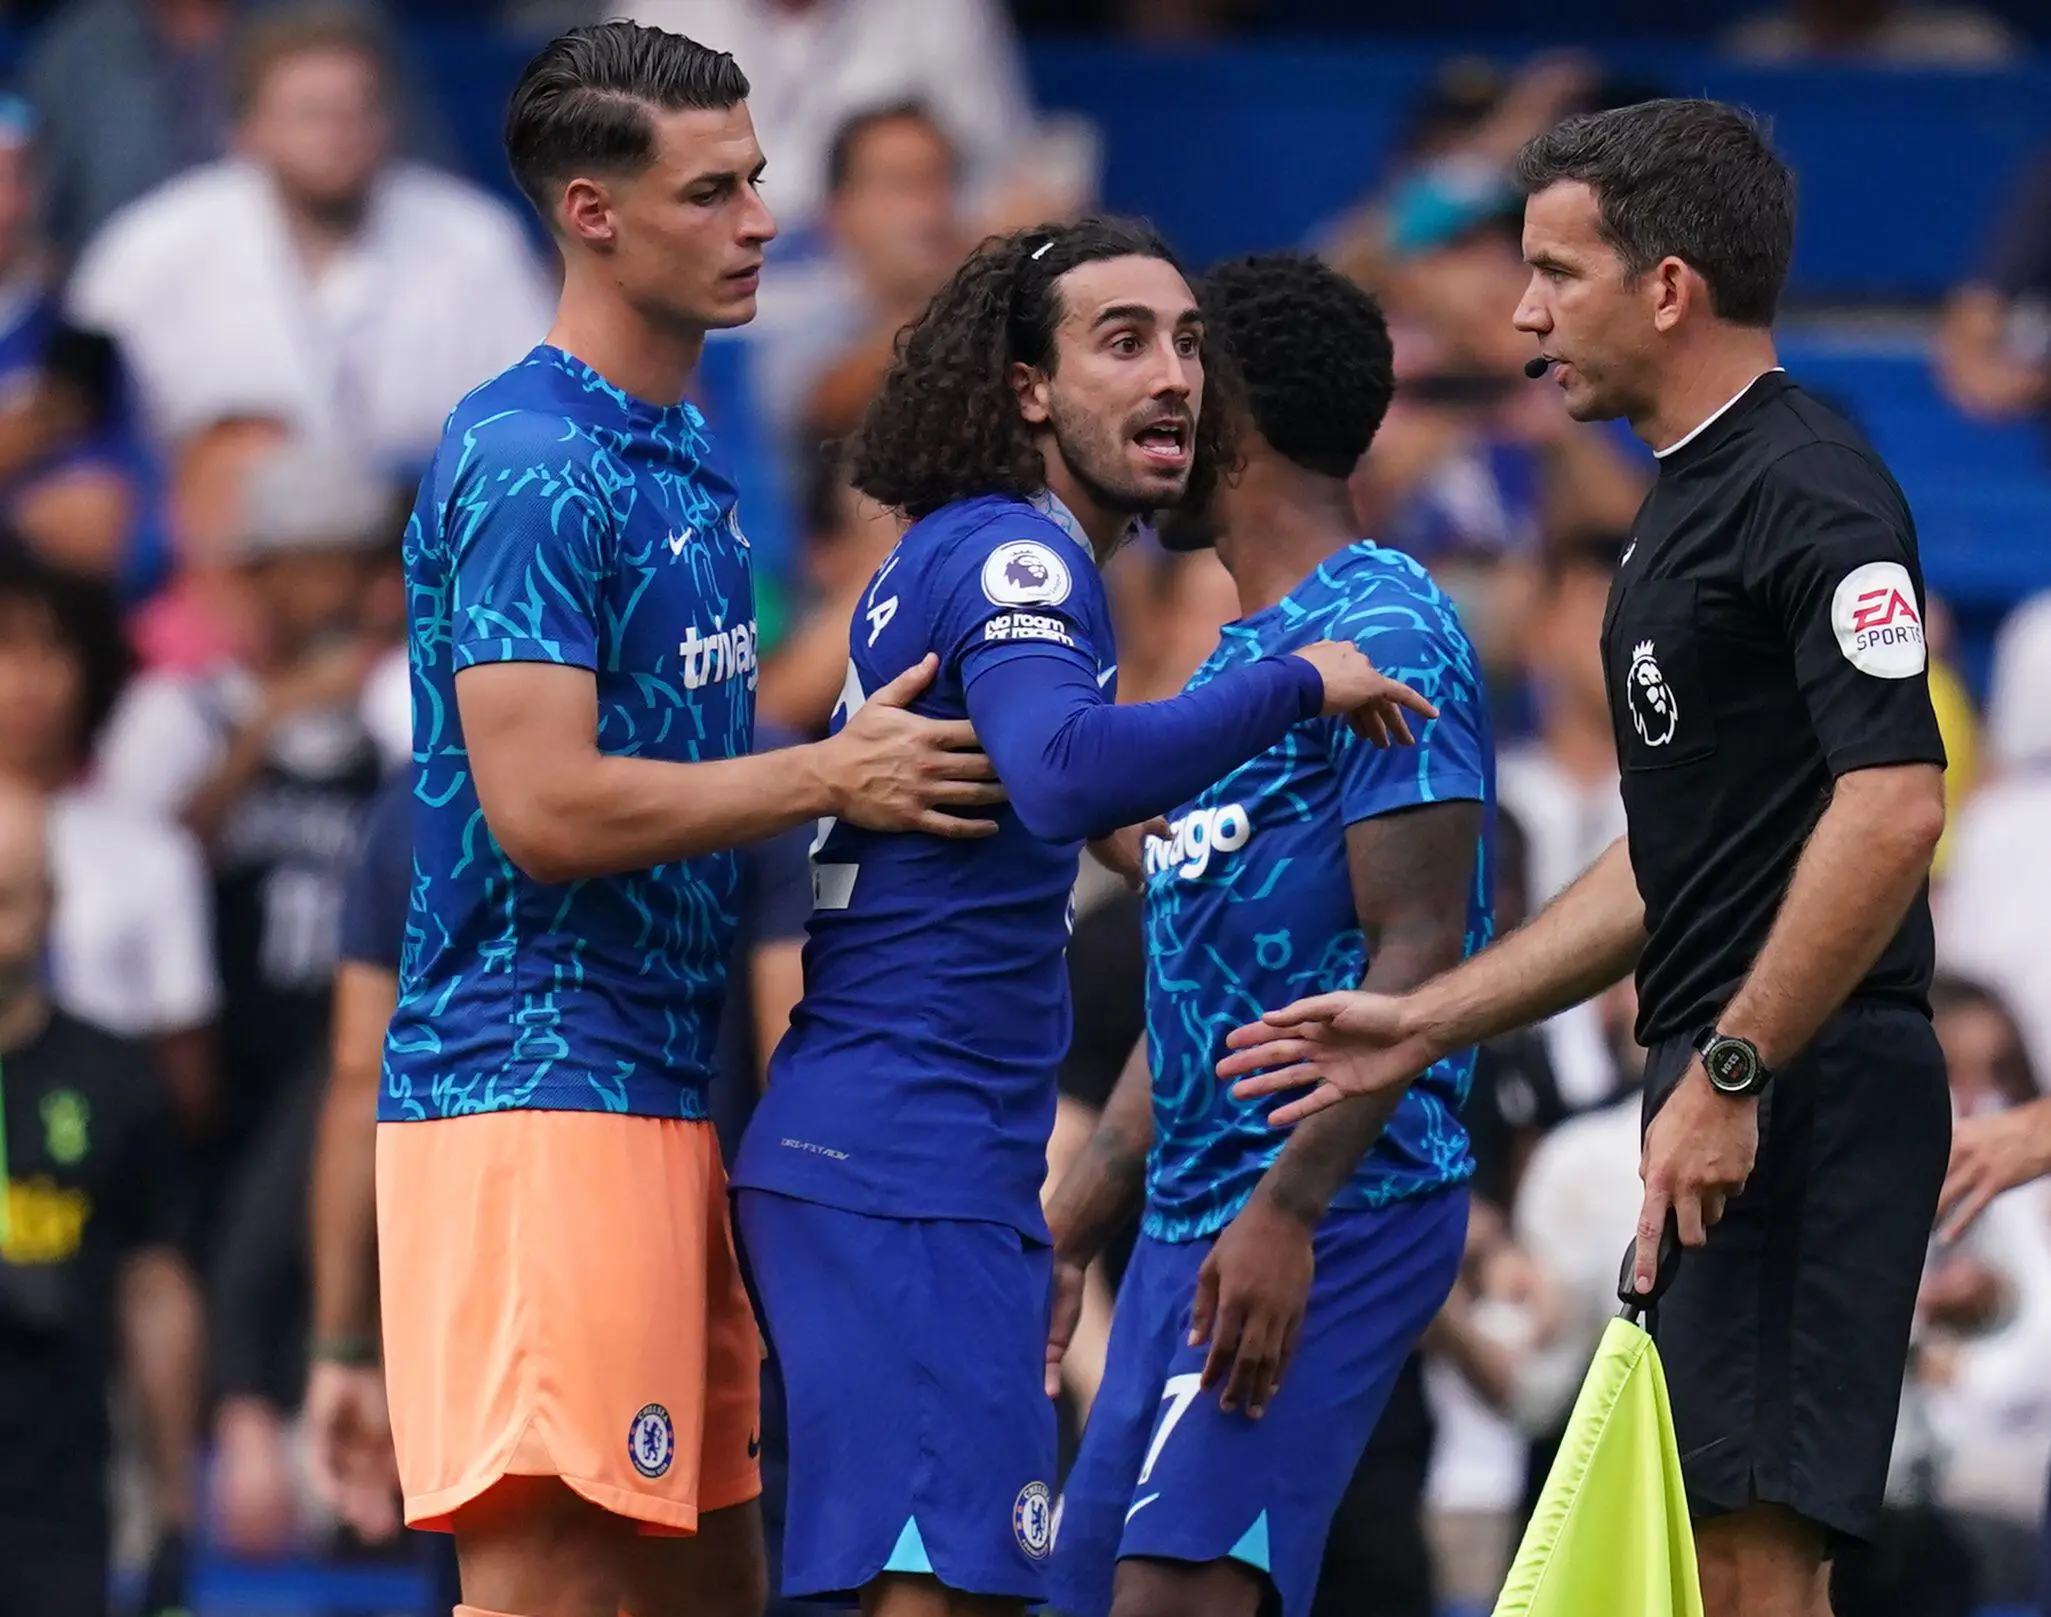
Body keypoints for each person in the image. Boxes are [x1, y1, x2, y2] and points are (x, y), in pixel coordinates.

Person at [1223, 99, 1953, 1617]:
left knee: (1754, 1568)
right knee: (1707, 1553)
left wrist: (1733, 1075)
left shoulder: (1806, 481)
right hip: (1730, 1078)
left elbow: (1890, 804)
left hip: (1795, 1091)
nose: (1519, 311)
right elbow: (1668, 862)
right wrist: (1427, 1017)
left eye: (1554, 271)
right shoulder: (1672, 507)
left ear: (1667, 285)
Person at [373, 23, 1019, 1617]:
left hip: (659, 1097)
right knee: (553, 1594)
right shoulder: (529, 457)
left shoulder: (677, 456)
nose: (759, 223)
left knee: (710, 1585)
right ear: (591, 212)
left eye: (756, 183)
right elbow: (539, 807)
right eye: (711, 192)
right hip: (530, 1102)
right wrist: (827, 770)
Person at [731, 216, 1433, 1617]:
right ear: (1028, 389)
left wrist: (1124, 809)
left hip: (899, 1148)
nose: (1172, 375)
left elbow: (1018, 777)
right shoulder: (1023, 564)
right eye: (1121, 343)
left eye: (1186, 344)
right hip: (904, 1151)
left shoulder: (984, 555)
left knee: (951, 1584)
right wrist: (1295, 680)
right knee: (939, 1594)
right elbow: (1055, 773)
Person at [1036, 251, 1490, 1617]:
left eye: (1179, 363)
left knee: (1173, 1597)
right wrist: (1066, 1231)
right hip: (1188, 1215)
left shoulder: (1388, 623)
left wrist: (1287, 1211)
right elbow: (1190, 993)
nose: (1152, 395)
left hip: (1334, 1204)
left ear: (1225, 408)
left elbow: (1415, 955)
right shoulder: (1245, 662)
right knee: (1082, 1595)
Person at [65, 9, 549, 473]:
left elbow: (540, 412)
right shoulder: (149, 244)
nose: (336, 136)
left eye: (354, 112)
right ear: (246, 132)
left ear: (388, 123)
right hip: (210, 537)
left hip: (433, 526)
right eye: (311, 115)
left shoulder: (475, 237)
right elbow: (76, 415)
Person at [0, 778, 204, 1617]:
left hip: (59, 1511)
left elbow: (156, 1293)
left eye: (6, 898)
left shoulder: (115, 1079)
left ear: (51, 903)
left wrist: (175, 1512)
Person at [0, 548, 220, 1131]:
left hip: (100, 1162)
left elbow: (183, 1056)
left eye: (52, 649)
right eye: (5, 649)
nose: (27, 681)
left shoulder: (151, 853)